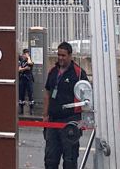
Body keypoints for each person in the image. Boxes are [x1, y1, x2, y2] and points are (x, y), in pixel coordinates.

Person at [43, 41, 88, 169]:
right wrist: (45, 115)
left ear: (70, 56)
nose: (60, 58)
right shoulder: (53, 71)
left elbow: (86, 97)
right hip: (53, 121)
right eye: (59, 55)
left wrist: (82, 121)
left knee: (70, 159)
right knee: (50, 159)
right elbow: (47, 92)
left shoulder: (78, 73)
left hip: (71, 121)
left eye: (63, 55)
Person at [18, 47, 35, 116]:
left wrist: (28, 58)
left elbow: (30, 64)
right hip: (22, 79)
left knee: (30, 93)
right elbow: (19, 70)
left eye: (27, 54)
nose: (25, 55)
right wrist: (25, 68)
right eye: (25, 54)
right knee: (21, 94)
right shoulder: (21, 62)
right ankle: (21, 109)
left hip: (29, 79)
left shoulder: (29, 61)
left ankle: (31, 109)